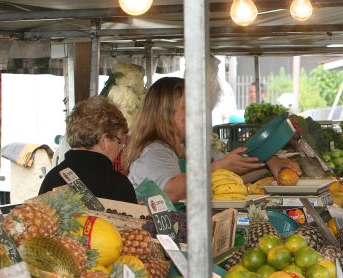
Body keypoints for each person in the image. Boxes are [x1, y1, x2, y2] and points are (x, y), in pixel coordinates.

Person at [124, 77, 298, 203]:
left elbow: (232, 172)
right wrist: (220, 166)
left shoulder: (189, 147)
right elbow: (171, 191)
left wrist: (269, 163)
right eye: (187, 108)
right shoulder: (154, 151)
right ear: (165, 113)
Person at [39, 96, 137, 203]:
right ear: (103, 141)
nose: (120, 149)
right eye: (119, 142)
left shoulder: (52, 179)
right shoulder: (118, 185)